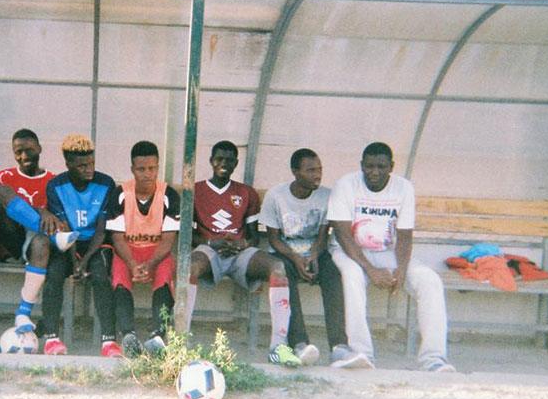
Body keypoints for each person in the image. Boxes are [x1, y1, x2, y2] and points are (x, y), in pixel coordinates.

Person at [327, 142, 454, 372]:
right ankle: (361, 352)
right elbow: (343, 235)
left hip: (387, 252)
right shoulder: (346, 184)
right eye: (369, 166)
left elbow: (405, 236)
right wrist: (370, 270)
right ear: (361, 165)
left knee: (429, 280)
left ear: (391, 167)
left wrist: (402, 271)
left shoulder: (403, 188)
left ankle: (433, 359)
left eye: (381, 167)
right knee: (352, 276)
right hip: (350, 251)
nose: (374, 172)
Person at [187, 141, 306, 367]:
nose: (224, 164)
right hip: (209, 249)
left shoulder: (246, 193)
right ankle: (181, 341)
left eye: (230, 160)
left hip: (239, 253)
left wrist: (242, 244)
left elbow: (253, 236)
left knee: (278, 268)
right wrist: (213, 241)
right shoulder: (196, 190)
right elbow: (187, 235)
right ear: (211, 161)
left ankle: (278, 347)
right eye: (219, 159)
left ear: (236, 164)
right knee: (189, 267)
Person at [259, 148, 363, 367]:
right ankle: (299, 343)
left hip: (316, 251)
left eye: (320, 169)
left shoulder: (327, 195)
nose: (318, 175)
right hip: (285, 253)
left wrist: (314, 254)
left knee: (334, 273)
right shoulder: (276, 196)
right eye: (311, 170)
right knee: (284, 273)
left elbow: (324, 234)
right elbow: (274, 239)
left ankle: (339, 346)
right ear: (295, 172)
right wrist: (296, 258)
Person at [0, 128, 77, 337]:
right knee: (2, 192)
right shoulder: (5, 176)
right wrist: (40, 210)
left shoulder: (53, 180)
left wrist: (47, 213)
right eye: (18, 151)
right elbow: (1, 205)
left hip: (37, 241)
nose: (23, 156)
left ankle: (23, 313)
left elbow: (59, 216)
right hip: (12, 236)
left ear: (39, 148)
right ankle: (53, 237)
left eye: (29, 150)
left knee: (41, 242)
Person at [38, 134, 116, 357]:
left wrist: (87, 260)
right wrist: (74, 262)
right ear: (68, 164)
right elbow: (64, 228)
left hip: (96, 244)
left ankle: (109, 342)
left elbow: (102, 229)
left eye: (91, 163)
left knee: (101, 276)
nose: (89, 169)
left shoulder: (106, 183)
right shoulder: (56, 186)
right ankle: (51, 339)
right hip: (68, 243)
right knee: (53, 274)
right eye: (82, 165)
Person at [105, 141, 180, 357]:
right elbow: (117, 238)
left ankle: (158, 335)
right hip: (128, 252)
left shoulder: (169, 196)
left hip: (157, 253)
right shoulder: (120, 194)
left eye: (152, 168)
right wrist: (132, 263)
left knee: (165, 275)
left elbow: (168, 240)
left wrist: (150, 263)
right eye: (141, 169)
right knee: (119, 275)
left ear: (158, 167)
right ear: (132, 169)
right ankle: (128, 334)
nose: (147, 174)